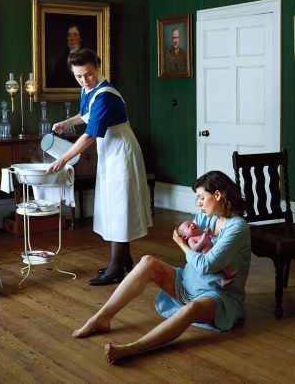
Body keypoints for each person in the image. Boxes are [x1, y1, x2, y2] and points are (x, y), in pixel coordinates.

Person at [73, 171, 251, 364]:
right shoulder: (205, 216)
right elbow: (191, 241)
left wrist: (182, 245)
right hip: (187, 284)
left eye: (202, 197)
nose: (199, 204)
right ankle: (102, 317)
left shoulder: (237, 227)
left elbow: (205, 265)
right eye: (197, 199)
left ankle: (131, 348)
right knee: (147, 261)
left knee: (192, 308)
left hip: (218, 296)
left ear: (217, 195)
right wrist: (187, 240)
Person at [48, 48, 152, 286]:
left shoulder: (106, 94)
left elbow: (90, 135)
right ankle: (124, 259)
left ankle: (115, 267)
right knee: (115, 204)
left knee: (119, 206)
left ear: (97, 67)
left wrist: (63, 159)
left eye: (88, 74)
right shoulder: (89, 89)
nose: (84, 80)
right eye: (78, 76)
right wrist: (66, 123)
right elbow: (86, 114)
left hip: (121, 151)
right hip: (110, 149)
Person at [176, 220, 238, 288]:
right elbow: (194, 249)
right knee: (216, 272)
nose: (192, 225)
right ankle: (223, 281)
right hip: (207, 257)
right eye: (188, 226)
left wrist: (210, 234)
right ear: (185, 237)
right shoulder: (191, 239)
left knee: (223, 263)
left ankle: (228, 274)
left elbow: (214, 239)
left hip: (214, 253)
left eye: (192, 223)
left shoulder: (202, 234)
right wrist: (202, 240)